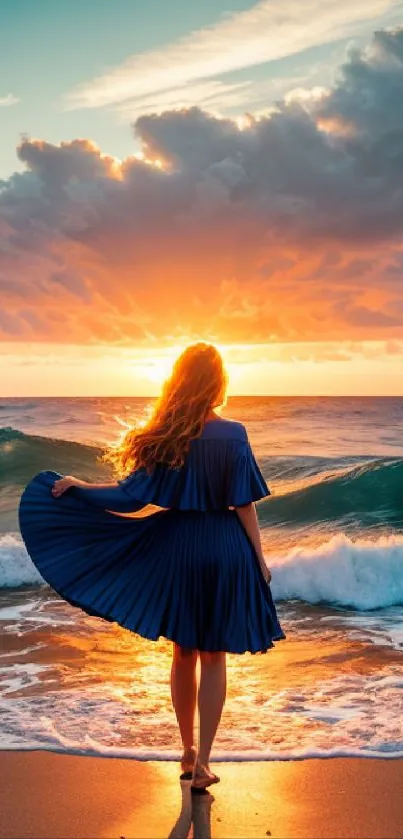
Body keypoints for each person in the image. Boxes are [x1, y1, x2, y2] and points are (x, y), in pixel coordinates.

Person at [19, 342, 285, 790]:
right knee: (213, 654)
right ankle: (204, 763)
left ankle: (186, 751)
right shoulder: (235, 434)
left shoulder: (167, 434)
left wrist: (80, 487)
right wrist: (258, 557)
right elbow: (243, 505)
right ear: (219, 382)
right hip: (224, 548)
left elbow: (129, 499)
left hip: (176, 547)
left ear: (178, 379)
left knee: (182, 652)